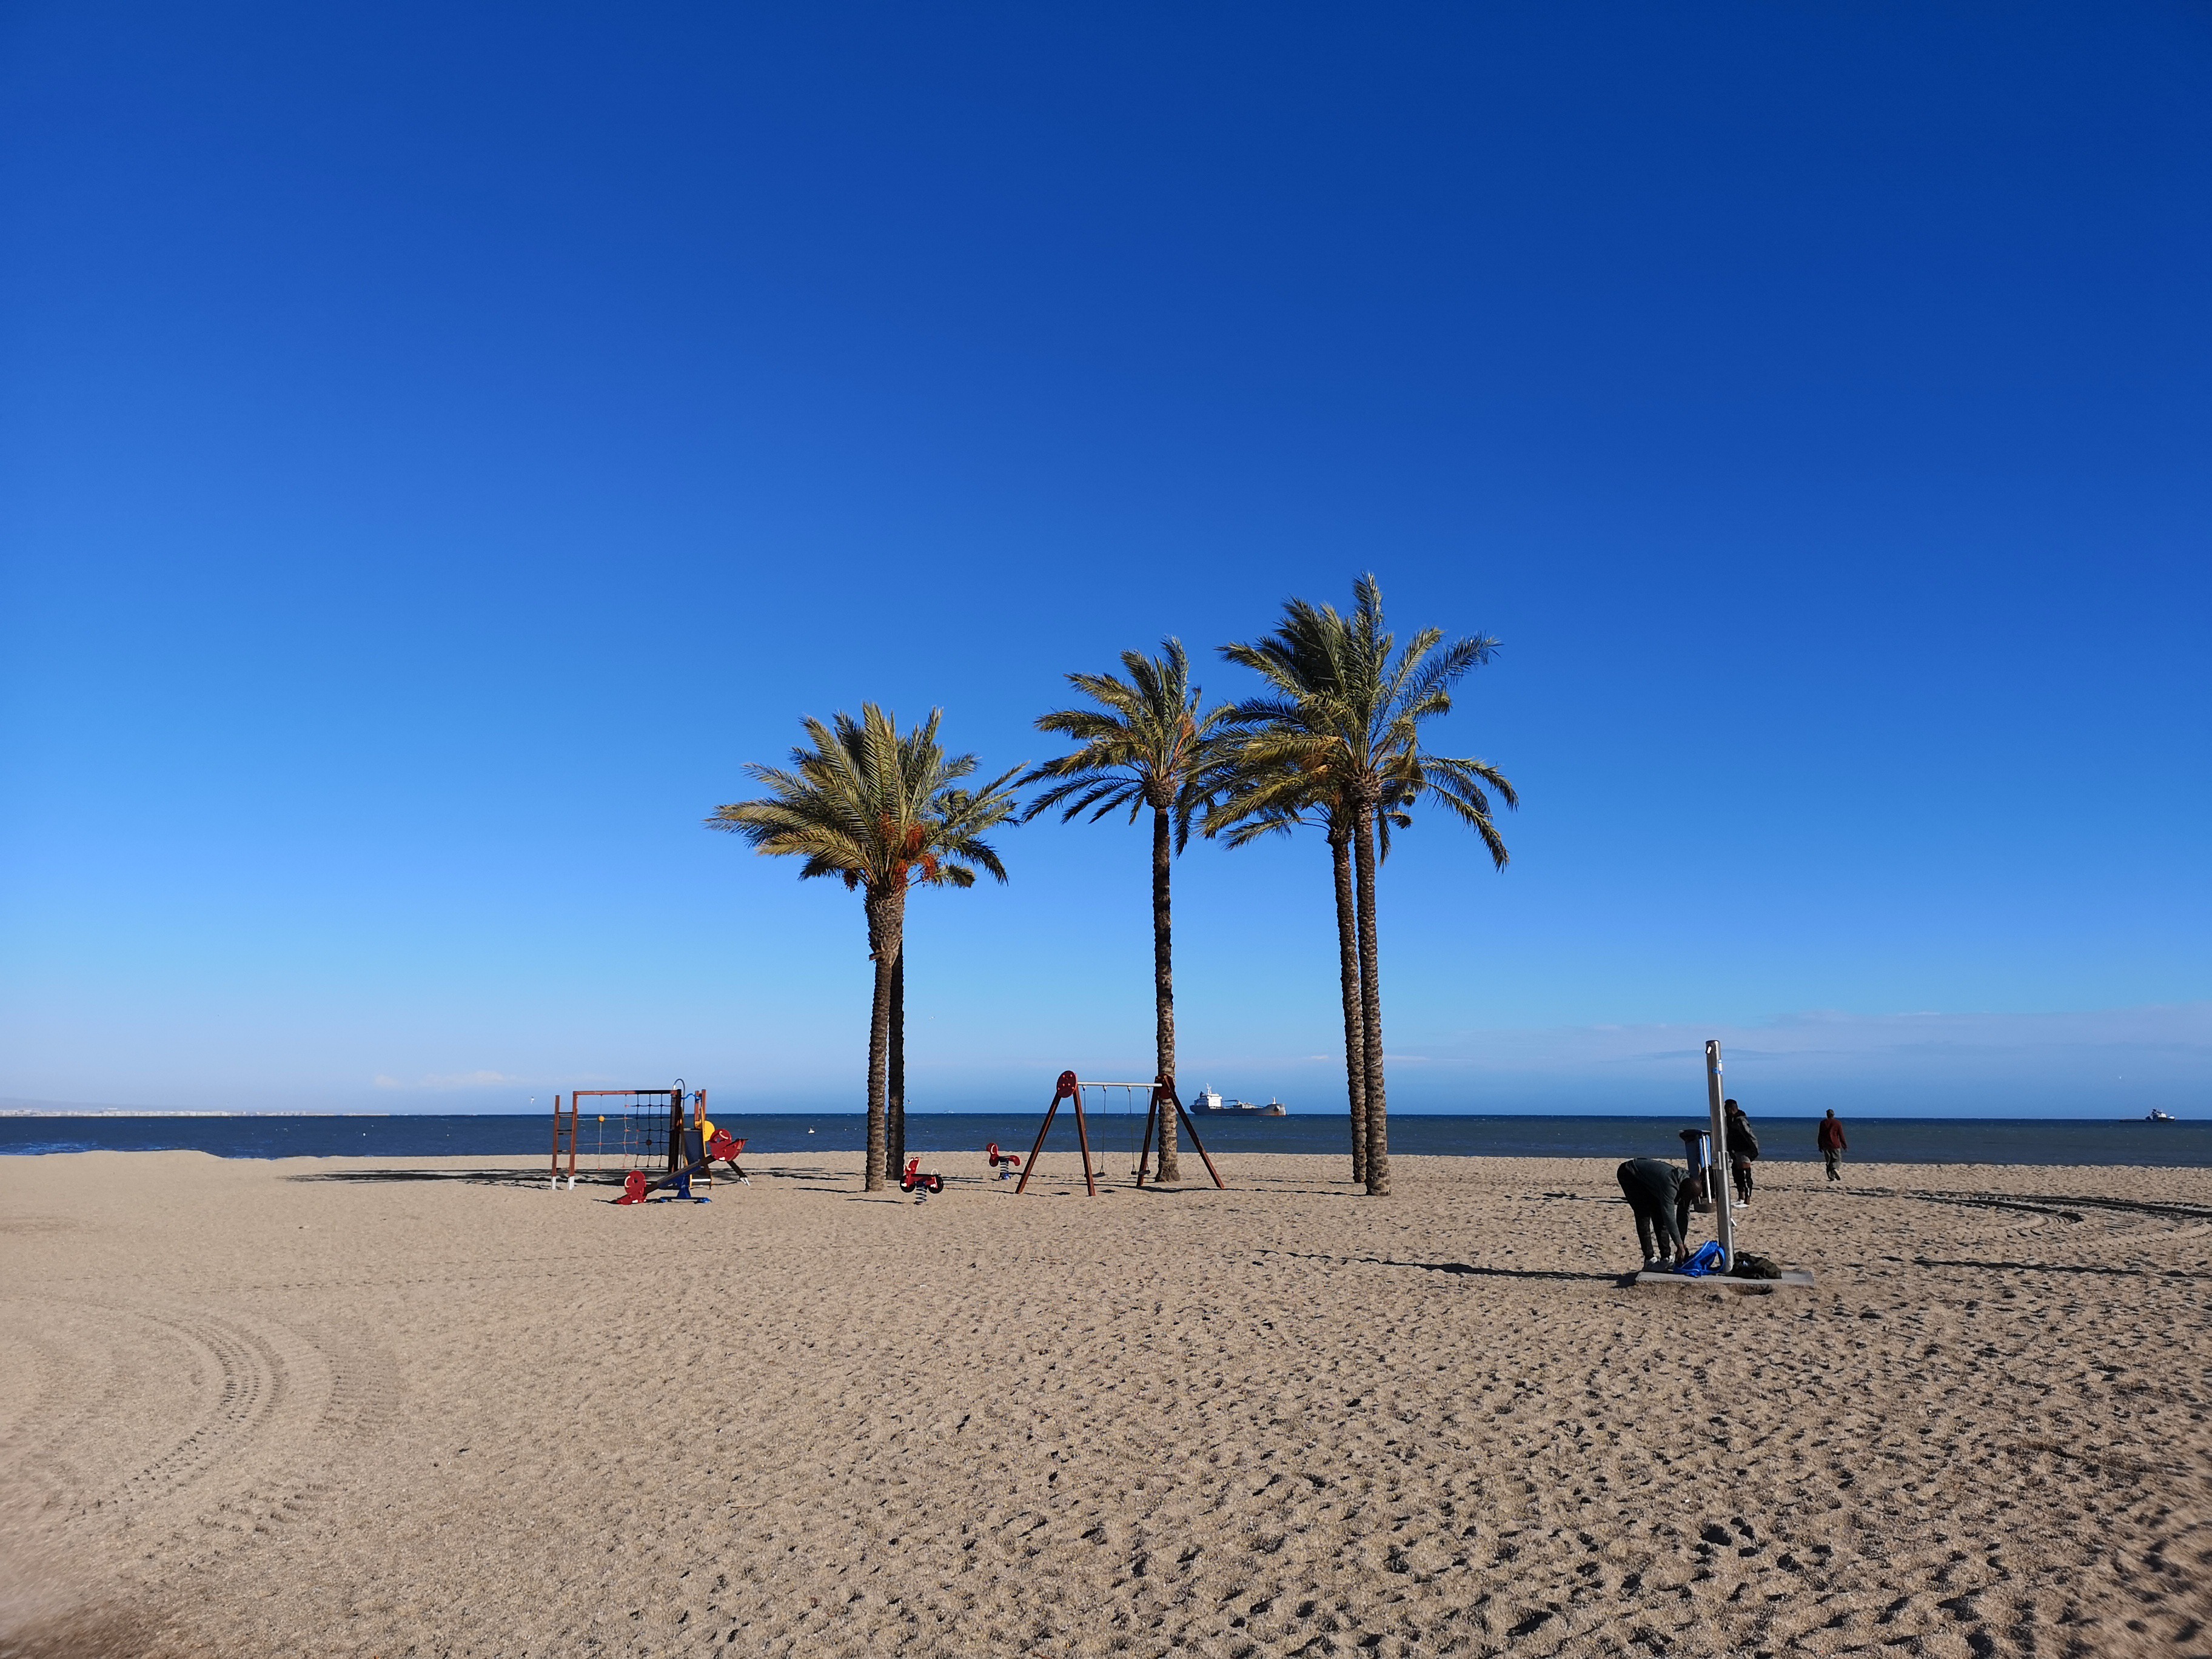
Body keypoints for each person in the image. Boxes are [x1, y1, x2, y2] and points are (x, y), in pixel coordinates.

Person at [1616, 1157, 1696, 1269]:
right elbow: (1670, 1217)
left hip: (1650, 1181)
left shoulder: (1690, 1185)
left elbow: (1683, 1215)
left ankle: (1666, 1257)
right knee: (1643, 1214)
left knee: (1659, 1215)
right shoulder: (1670, 1186)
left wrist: (1681, 1243)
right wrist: (1679, 1245)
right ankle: (1649, 1259)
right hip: (1630, 1173)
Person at [1723, 1099, 1758, 1206]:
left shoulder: (1740, 1121)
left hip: (1745, 1150)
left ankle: (1747, 1200)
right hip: (1736, 1150)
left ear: (1730, 1109)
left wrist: (1754, 1151)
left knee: (1745, 1174)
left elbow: (1750, 1135)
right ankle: (1741, 1197)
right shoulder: (1731, 1120)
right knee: (1737, 1173)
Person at [1817, 1109, 1846, 1182]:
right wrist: (1844, 1144)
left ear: (1827, 1115)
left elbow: (1820, 1135)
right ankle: (1834, 1169)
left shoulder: (1823, 1123)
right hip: (1835, 1144)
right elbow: (1841, 1135)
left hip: (1826, 1145)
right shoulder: (1838, 1123)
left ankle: (1831, 1176)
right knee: (1837, 1160)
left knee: (1828, 1161)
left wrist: (1820, 1145)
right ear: (1834, 1115)